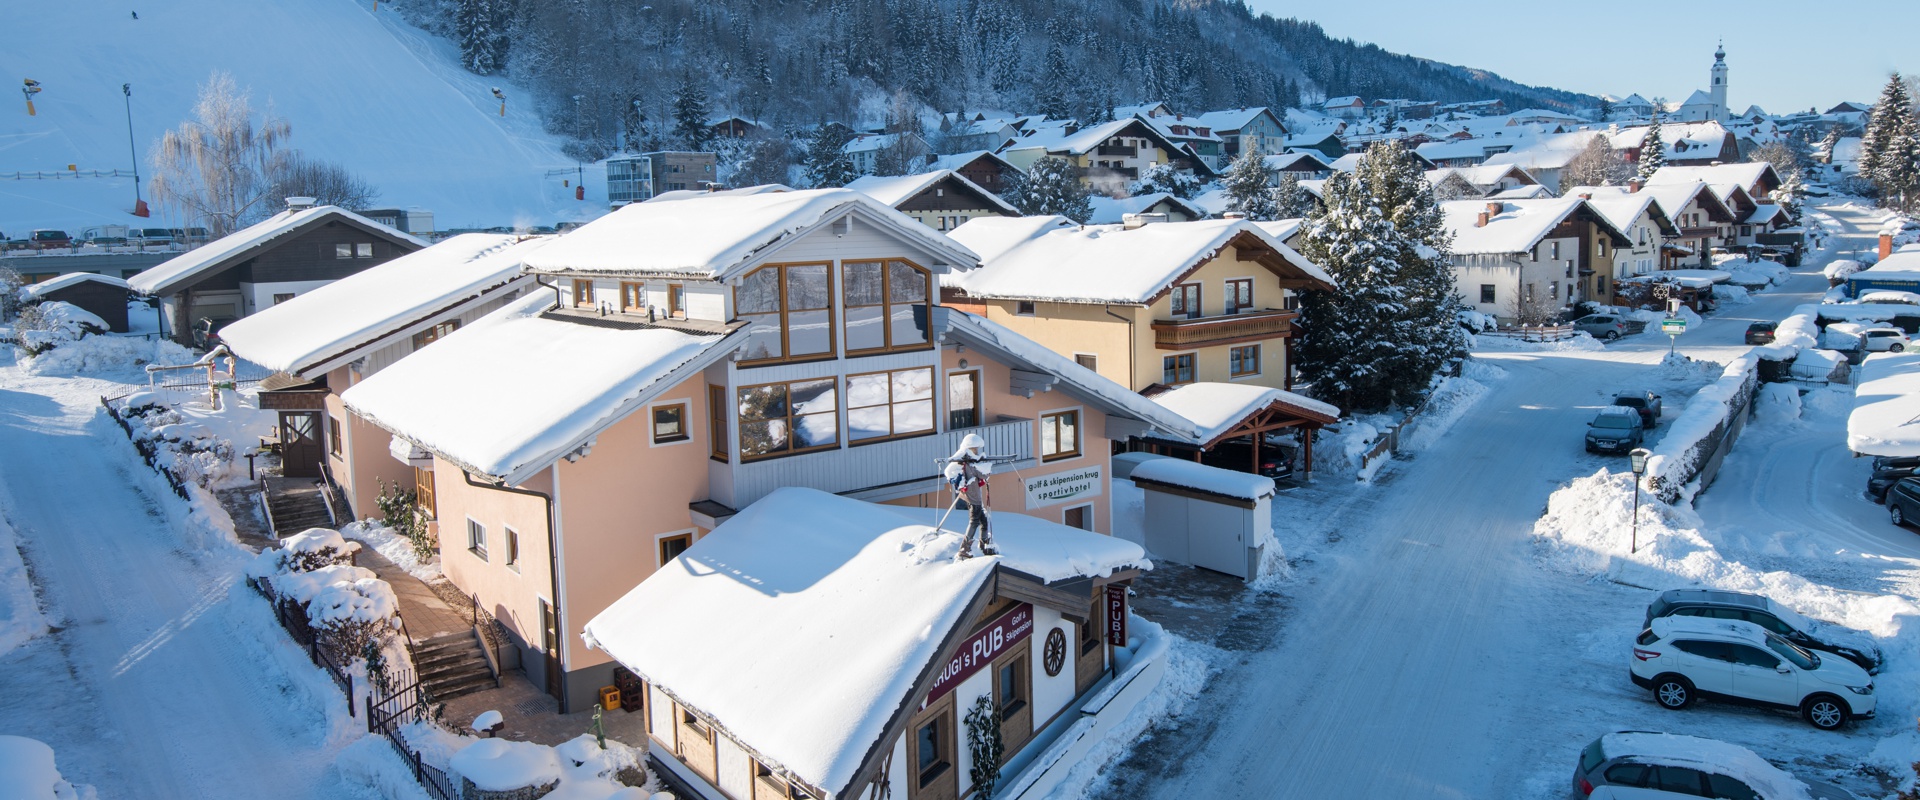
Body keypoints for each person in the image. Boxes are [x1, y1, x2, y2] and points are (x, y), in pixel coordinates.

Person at [942, 433, 996, 558]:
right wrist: (987, 466)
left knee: (983, 521)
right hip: (973, 496)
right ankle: (964, 549)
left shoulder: (964, 462)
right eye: (975, 448)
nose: (976, 451)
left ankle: (984, 544)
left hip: (971, 494)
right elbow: (983, 474)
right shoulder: (969, 464)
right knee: (974, 521)